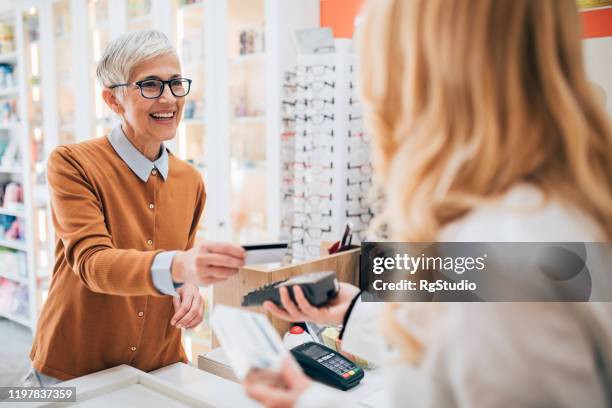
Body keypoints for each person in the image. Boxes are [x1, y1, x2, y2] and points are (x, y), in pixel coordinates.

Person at [244, 0, 612, 406]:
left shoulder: (503, 252)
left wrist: (306, 402)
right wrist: (354, 314)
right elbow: (459, 351)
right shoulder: (551, 210)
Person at [25, 30, 246, 386]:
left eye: (176, 83)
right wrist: (179, 266)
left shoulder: (190, 180)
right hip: (70, 371)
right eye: (150, 85)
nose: (170, 98)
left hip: (157, 369)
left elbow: (180, 265)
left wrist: (188, 286)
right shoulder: (72, 164)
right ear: (113, 101)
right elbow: (93, 263)